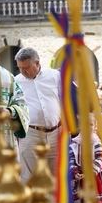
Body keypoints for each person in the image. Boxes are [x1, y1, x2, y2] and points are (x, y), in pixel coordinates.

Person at [14, 47, 61, 182]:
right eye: (20, 68)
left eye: (26, 67)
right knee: (30, 177)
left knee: (55, 175)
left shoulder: (55, 76)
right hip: (30, 133)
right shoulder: (16, 82)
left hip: (55, 133)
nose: (23, 71)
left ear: (37, 63)